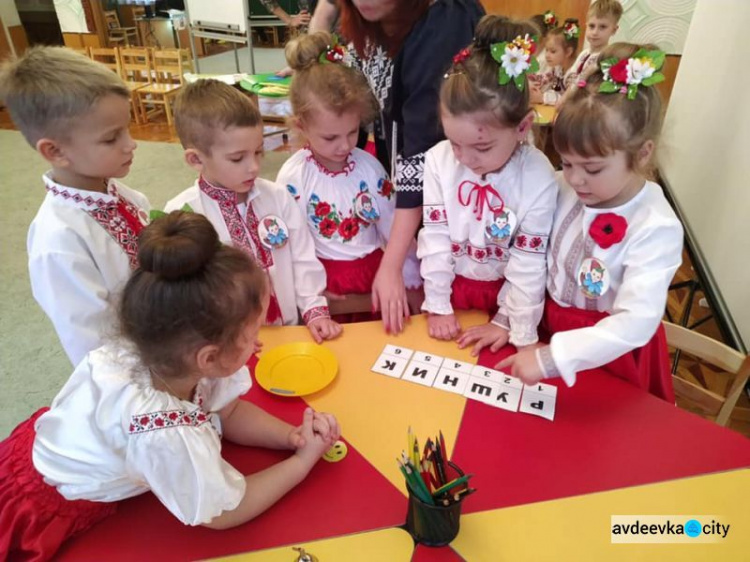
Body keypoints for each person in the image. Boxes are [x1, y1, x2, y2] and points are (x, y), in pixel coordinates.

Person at [0, 211, 341, 560]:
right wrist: (301, 463)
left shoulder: (165, 351)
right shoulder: (162, 430)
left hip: (39, 448)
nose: (259, 343)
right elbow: (223, 512)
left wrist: (290, 437)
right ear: (208, 358)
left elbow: (230, 411)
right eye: (253, 333)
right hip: (39, 509)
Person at [497, 43, 682, 402]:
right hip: (547, 328)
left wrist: (553, 358)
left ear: (642, 152)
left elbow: (636, 320)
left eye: (593, 169)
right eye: (567, 163)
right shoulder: (560, 185)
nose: (576, 180)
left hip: (609, 354)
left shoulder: (655, 225)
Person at [338, 0, 484, 333]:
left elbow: (422, 150)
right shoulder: (374, 24)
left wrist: (391, 265)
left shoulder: (445, 21)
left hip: (455, 198)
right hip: (410, 194)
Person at [0, 46, 150, 367]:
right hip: (134, 377)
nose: (131, 143)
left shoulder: (125, 196)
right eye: (111, 138)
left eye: (128, 128)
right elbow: (93, 348)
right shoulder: (59, 243)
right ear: (55, 151)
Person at [418, 16, 558, 356]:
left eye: (482, 147)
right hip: (451, 293)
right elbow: (435, 238)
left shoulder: (538, 175)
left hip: (509, 301)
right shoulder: (438, 160)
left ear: (523, 127)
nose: (465, 158)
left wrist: (508, 322)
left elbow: (528, 262)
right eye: (454, 142)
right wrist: (437, 302)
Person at [166, 79, 341, 343]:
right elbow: (187, 295)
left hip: (291, 331)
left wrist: (314, 310)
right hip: (228, 342)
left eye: (259, 152)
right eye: (238, 158)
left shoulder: (278, 197)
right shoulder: (183, 214)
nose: (254, 167)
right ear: (196, 159)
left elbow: (302, 258)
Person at [276, 31, 421, 319]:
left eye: (353, 132)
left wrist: (412, 280)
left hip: (375, 276)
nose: (344, 146)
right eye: (330, 137)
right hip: (324, 283)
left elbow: (393, 226)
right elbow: (291, 245)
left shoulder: (369, 167)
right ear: (301, 125)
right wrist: (309, 292)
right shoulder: (293, 177)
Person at [563, 0, 623, 90]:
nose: (595, 32)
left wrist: (576, 82)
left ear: (614, 30)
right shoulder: (584, 54)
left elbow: (594, 87)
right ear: (586, 25)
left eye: (602, 27)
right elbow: (569, 76)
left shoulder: (607, 58)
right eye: (591, 26)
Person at [531, 19, 580, 106]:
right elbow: (545, 79)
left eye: (553, 51)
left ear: (568, 52)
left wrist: (542, 98)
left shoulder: (573, 74)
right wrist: (533, 83)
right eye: (546, 50)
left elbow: (568, 100)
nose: (547, 55)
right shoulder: (557, 68)